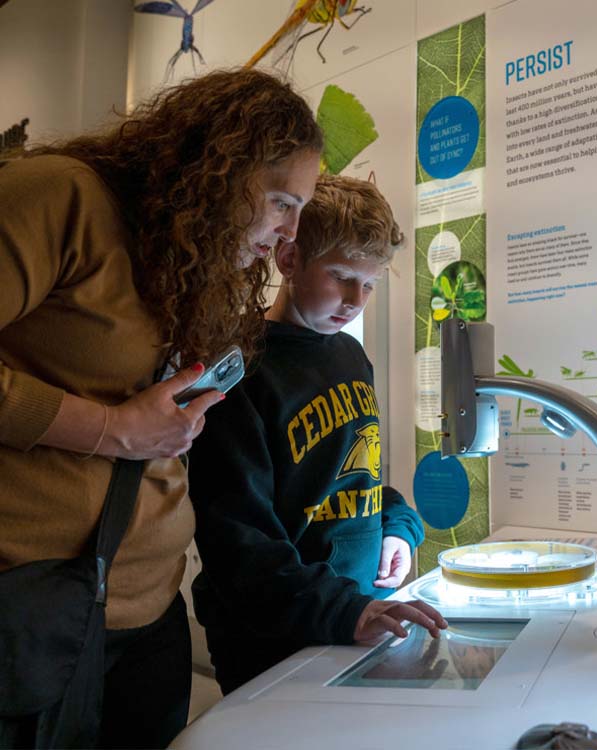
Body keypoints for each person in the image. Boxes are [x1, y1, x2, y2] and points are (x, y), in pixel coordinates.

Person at [0, 69, 323, 748]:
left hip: (151, 616)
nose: (293, 232)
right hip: (28, 615)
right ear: (221, 168)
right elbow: (126, 427)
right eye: (281, 202)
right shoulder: (59, 196)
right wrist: (110, 430)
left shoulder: (197, 262)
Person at [188, 173, 447, 696]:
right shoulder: (239, 366)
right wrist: (345, 610)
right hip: (272, 632)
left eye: (370, 283)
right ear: (289, 261)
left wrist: (397, 526)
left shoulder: (350, 355)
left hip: (350, 616)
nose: (356, 299)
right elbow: (238, 538)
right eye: (340, 275)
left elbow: (355, 474)